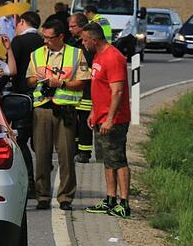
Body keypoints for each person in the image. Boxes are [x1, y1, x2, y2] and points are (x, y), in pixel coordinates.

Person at [26, 18, 81, 210]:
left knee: (66, 156)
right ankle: (42, 196)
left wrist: (61, 83)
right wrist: (38, 79)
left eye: (49, 38)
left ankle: (65, 197)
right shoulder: (36, 54)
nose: (45, 41)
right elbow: (29, 80)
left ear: (61, 37)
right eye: (44, 37)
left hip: (65, 111)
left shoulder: (76, 54)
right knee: (41, 155)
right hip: (42, 109)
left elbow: (83, 82)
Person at [81, 22, 132, 219]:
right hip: (100, 117)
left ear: (94, 40)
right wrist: (94, 112)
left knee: (118, 160)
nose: (83, 43)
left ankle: (124, 203)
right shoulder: (98, 56)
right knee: (108, 161)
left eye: (85, 40)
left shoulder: (113, 57)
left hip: (114, 120)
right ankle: (110, 199)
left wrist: (110, 119)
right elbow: (99, 87)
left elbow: (117, 91)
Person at [8, 11, 43, 197]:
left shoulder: (19, 42)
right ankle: (43, 180)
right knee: (39, 142)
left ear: (22, 22)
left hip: (22, 96)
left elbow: (12, 70)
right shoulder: (43, 41)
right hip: (42, 96)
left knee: (21, 140)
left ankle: (30, 184)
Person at [66, 12, 94, 163]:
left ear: (82, 26)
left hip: (86, 89)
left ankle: (84, 153)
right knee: (74, 122)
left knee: (84, 122)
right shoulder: (73, 42)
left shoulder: (88, 45)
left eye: (73, 26)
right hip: (73, 89)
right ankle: (76, 149)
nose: (70, 29)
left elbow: (88, 67)